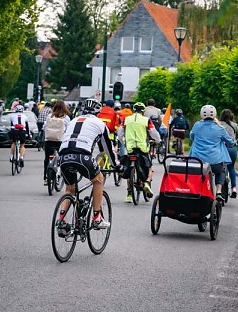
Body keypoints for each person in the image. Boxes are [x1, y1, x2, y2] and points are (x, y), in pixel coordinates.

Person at [58, 98, 122, 230]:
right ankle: (97, 218)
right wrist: (116, 165)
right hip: (82, 156)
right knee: (99, 179)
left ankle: (60, 221)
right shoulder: (100, 124)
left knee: (70, 189)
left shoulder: (73, 120)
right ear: (98, 112)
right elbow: (107, 150)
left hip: (63, 156)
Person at [189, 104, 235, 202]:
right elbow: (230, 142)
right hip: (215, 162)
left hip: (197, 161)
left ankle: (194, 189)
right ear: (214, 114)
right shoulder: (220, 128)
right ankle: (218, 191)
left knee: (195, 173)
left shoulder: (197, 125)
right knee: (222, 170)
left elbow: (192, 136)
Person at [117, 102, 161, 202]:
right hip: (143, 148)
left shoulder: (126, 119)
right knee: (149, 168)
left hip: (130, 148)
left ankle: (129, 194)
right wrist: (158, 141)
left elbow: (120, 133)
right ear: (143, 111)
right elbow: (154, 133)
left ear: (133, 110)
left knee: (129, 168)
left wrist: (124, 141)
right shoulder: (146, 120)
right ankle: (146, 182)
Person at [219, 109, 238, 198]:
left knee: (220, 168)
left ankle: (218, 187)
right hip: (232, 149)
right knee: (231, 168)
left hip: (222, 149)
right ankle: (233, 188)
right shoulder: (235, 125)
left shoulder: (219, 124)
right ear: (231, 116)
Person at [43, 100, 70, 185]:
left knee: (47, 158)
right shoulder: (66, 118)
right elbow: (69, 130)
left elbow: (44, 127)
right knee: (62, 158)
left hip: (49, 141)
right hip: (60, 141)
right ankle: (59, 174)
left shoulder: (49, 116)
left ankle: (46, 178)